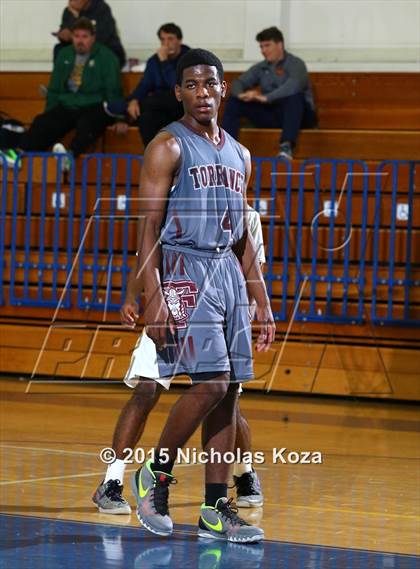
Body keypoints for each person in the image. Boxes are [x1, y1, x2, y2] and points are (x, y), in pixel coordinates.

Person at [128, 48, 275, 542]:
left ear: (223, 88)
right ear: (179, 92)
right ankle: (157, 474)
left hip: (228, 273)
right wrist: (152, 297)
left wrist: (263, 301)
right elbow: (147, 227)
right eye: (191, 85)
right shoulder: (167, 146)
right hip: (184, 268)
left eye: (209, 83)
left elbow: (241, 237)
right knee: (211, 382)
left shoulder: (241, 154)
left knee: (229, 393)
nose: (202, 92)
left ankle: (215, 511)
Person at [92, 204, 266, 516]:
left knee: (224, 400)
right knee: (146, 391)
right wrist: (133, 297)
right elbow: (146, 257)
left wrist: (248, 316)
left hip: (219, 314)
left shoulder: (245, 214)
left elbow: (253, 270)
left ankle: (243, 472)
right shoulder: (172, 202)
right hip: (173, 308)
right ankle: (112, 481)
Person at [15, 18, 122, 167]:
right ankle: (20, 154)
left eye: (84, 37)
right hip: (68, 103)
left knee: (87, 124)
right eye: (77, 36)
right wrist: (49, 112)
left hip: (94, 104)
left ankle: (70, 156)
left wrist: (120, 118)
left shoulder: (107, 57)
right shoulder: (64, 54)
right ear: (71, 37)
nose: (80, 41)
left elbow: (114, 90)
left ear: (93, 38)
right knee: (42, 122)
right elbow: (54, 88)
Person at [222, 26, 317, 161]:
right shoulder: (261, 67)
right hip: (273, 114)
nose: (263, 51)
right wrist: (242, 95)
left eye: (267, 45)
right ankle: (227, 149)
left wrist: (267, 97)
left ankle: (286, 147)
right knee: (235, 101)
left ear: (280, 45)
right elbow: (238, 82)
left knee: (295, 96)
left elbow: (294, 86)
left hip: (300, 116)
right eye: (261, 47)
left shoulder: (296, 64)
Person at [105, 23, 190, 147]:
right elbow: (144, 85)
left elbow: (178, 86)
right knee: (145, 118)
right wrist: (134, 100)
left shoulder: (188, 58)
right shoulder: (154, 61)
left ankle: (121, 109)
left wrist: (165, 63)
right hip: (156, 108)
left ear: (179, 40)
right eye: (163, 39)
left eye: (170, 39)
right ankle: (151, 156)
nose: (166, 43)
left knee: (162, 98)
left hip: (180, 105)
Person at [54, 0, 126, 68]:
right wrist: (64, 35)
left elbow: (101, 38)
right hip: (79, 49)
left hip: (104, 49)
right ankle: (63, 79)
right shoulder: (69, 11)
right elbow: (65, 32)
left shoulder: (102, 8)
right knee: (59, 50)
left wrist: (77, 17)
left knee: (95, 53)